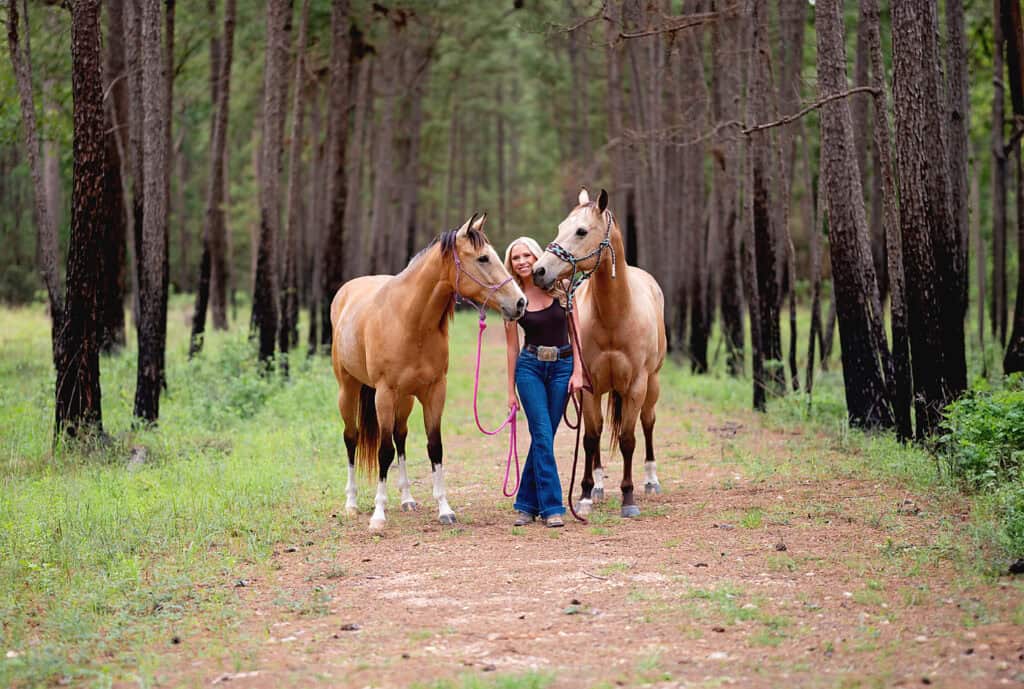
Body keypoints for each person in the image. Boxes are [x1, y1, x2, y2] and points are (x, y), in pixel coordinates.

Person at [503, 237, 584, 528]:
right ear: (510, 264)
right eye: (516, 258)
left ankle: (526, 504)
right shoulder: (512, 298)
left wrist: (578, 373)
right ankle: (552, 506)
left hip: (562, 367)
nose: (522, 261)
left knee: (544, 438)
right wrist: (510, 389)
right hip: (530, 369)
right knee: (541, 434)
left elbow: (576, 334)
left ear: (537, 257)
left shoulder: (562, 289)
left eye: (526, 255)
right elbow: (512, 347)